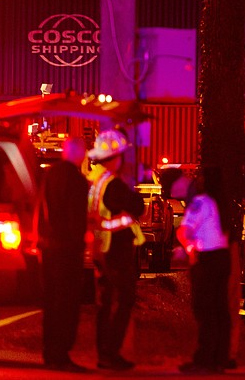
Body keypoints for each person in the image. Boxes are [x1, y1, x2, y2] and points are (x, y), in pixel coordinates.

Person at [86, 128, 145, 371]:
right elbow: (137, 206)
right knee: (122, 301)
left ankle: (105, 354)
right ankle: (110, 354)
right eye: (120, 155)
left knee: (106, 303)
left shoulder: (95, 181)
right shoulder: (113, 184)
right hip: (116, 252)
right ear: (114, 157)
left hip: (102, 250)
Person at [171, 170, 231, 375]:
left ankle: (204, 359)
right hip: (223, 258)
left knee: (204, 310)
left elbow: (184, 230)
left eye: (201, 176)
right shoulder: (223, 203)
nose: (197, 180)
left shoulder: (202, 202)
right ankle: (219, 358)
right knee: (220, 309)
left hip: (206, 260)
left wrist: (188, 248)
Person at [38, 136, 90, 373]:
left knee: (51, 302)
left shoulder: (49, 175)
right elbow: (76, 219)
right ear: (79, 153)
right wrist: (80, 244)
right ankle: (61, 354)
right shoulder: (77, 181)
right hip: (67, 250)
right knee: (67, 303)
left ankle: (50, 352)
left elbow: (41, 210)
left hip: (48, 248)